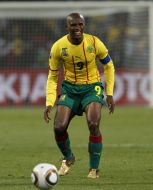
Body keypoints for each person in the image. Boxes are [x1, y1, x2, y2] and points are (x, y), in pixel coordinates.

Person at [43, 13, 115, 179]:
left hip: (92, 88)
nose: (77, 28)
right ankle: (69, 158)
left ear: (84, 25)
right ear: (67, 27)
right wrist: (49, 102)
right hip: (69, 89)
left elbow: (109, 66)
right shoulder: (58, 47)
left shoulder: (95, 42)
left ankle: (94, 169)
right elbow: (52, 76)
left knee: (93, 123)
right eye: (73, 25)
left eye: (80, 24)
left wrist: (109, 93)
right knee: (58, 127)